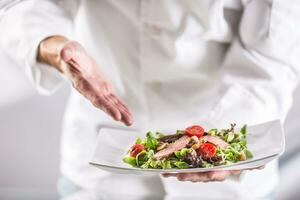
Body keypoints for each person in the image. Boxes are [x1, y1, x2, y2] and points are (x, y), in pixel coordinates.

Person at [0, 0, 299, 199]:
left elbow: (271, 60)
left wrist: (222, 146)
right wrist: (53, 47)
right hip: (99, 169)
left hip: (227, 185)